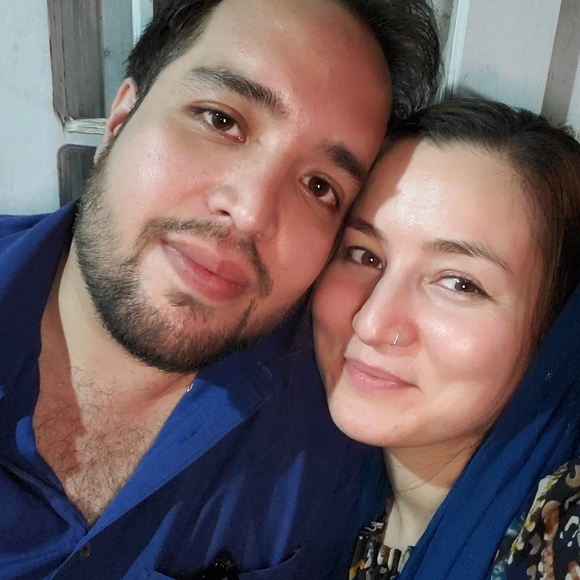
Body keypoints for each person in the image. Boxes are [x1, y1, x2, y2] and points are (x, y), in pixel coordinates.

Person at [0, 0, 440, 578]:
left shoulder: (349, 412)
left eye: (319, 186)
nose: (252, 212)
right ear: (121, 119)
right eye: (221, 120)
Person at [312, 98, 580, 580]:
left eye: (459, 283)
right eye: (364, 255)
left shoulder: (562, 534)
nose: (371, 323)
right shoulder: (310, 481)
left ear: (555, 331)